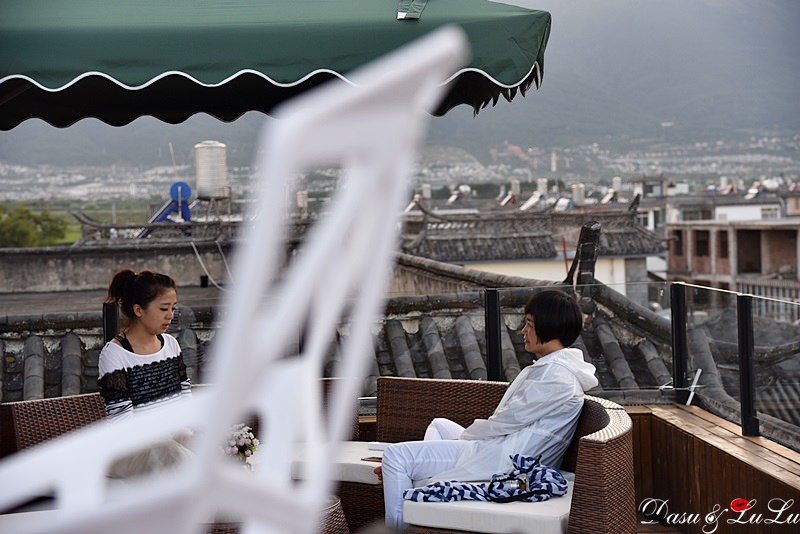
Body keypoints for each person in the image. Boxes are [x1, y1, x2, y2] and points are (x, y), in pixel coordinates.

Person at [376, 289, 599, 529]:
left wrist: (462, 439)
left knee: (395, 457)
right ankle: (423, 477)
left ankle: (399, 524)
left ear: (551, 326)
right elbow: (508, 422)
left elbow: (505, 422)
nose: (523, 330)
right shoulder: (554, 370)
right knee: (439, 424)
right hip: (504, 449)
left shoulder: (556, 377)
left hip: (507, 465)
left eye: (530, 324)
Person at [98, 269, 192, 476]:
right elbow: (123, 422)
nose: (170, 315)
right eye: (163, 308)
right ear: (139, 310)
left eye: (173, 308)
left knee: (209, 446)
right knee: (171, 453)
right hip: (131, 448)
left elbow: (184, 396)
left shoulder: (171, 345)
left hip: (170, 440)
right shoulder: (114, 353)